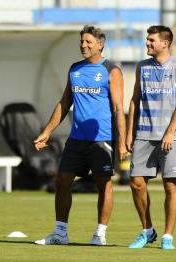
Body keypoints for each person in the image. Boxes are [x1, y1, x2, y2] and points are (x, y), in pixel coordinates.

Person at [33, 25, 127, 246]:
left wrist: (122, 142)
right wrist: (46, 133)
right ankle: (60, 233)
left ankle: (100, 234)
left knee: (104, 184)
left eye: (88, 42)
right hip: (76, 139)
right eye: (82, 42)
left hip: (102, 139)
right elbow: (65, 103)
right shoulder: (75, 69)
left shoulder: (112, 71)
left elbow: (118, 108)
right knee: (63, 180)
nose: (83, 46)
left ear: (100, 44)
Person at [126, 25, 176, 250]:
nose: (147, 43)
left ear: (165, 43)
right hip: (143, 133)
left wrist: (171, 132)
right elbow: (135, 100)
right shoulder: (141, 67)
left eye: (152, 40)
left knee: (171, 185)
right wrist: (128, 132)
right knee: (136, 182)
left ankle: (168, 236)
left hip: (170, 136)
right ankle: (147, 230)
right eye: (147, 40)